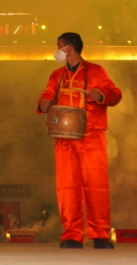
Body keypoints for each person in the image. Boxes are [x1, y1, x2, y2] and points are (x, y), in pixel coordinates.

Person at [37, 33, 122, 249]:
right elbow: (47, 95)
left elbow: (115, 94)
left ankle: (100, 234)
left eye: (59, 46)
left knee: (96, 186)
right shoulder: (57, 75)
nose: (57, 50)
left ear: (69, 48)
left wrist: (100, 93)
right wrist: (44, 103)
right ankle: (72, 234)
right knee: (67, 188)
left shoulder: (96, 71)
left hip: (91, 135)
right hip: (63, 138)